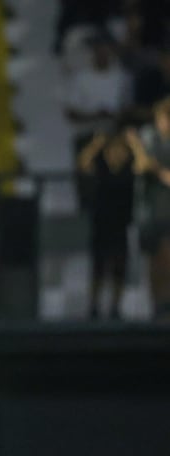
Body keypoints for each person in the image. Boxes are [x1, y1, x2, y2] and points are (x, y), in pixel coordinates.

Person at [76, 128, 139, 319]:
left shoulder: (129, 169)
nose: (117, 154)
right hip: (101, 223)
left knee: (119, 266)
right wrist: (96, 144)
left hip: (121, 224)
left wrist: (134, 143)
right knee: (98, 266)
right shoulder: (101, 168)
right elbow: (83, 163)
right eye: (113, 150)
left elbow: (143, 164)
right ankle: (94, 306)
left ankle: (115, 307)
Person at [131, 96, 170, 321]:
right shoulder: (148, 136)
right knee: (155, 259)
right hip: (149, 211)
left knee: (167, 256)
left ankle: (166, 301)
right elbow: (141, 164)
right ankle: (158, 303)